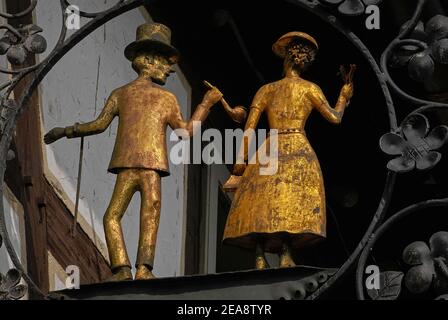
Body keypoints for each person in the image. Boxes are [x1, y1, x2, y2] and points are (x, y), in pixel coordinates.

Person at [44, 23, 222, 281]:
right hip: (136, 165)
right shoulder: (128, 95)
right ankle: (127, 269)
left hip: (147, 166)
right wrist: (67, 131)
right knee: (126, 214)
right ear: (149, 60)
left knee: (128, 214)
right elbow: (184, 131)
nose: (170, 69)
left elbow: (99, 125)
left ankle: (140, 269)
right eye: (164, 61)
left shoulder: (158, 98)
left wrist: (205, 103)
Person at [222, 31, 354, 269]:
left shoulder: (266, 90)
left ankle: (260, 256)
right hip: (297, 147)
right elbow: (335, 117)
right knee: (292, 202)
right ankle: (285, 253)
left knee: (262, 201)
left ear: (286, 58)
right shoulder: (310, 88)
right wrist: (344, 97)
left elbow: (249, 129)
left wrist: (240, 161)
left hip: (270, 147)